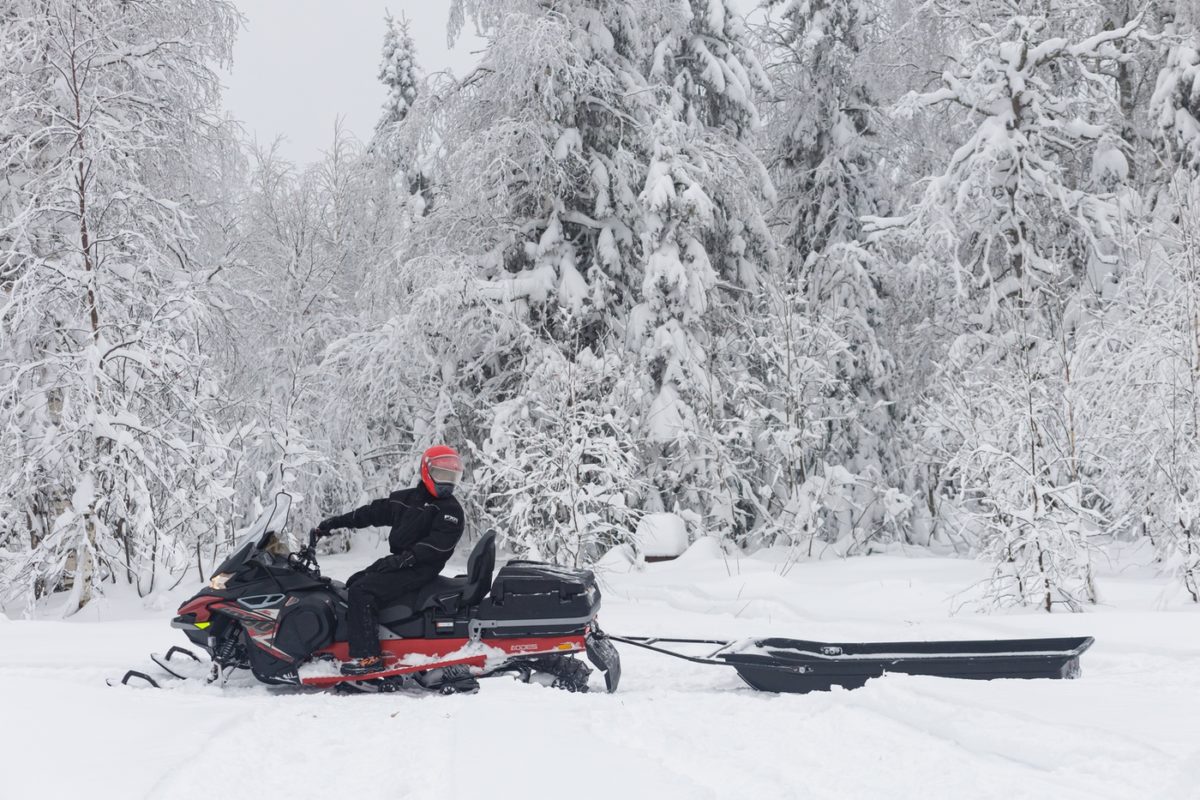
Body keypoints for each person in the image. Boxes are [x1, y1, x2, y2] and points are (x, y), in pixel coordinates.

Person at [312, 444, 465, 676]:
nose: (446, 482)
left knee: (362, 591)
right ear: (427, 472)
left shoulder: (450, 510)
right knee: (354, 582)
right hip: (402, 562)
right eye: (441, 475)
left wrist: (406, 559)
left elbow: (437, 545)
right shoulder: (408, 499)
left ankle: (369, 657)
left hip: (421, 569)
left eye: (451, 477)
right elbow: (371, 513)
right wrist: (333, 523)